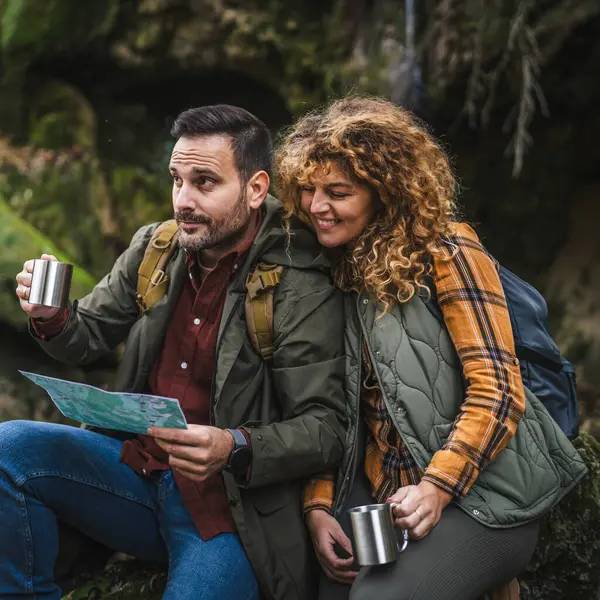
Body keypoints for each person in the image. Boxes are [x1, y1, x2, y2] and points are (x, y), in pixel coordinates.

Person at [4, 104, 347, 600]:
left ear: (255, 189)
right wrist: (49, 316)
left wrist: (234, 445)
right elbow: (87, 335)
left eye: (204, 182)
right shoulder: (158, 246)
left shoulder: (298, 280)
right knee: (8, 448)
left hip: (228, 511)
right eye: (176, 179)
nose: (182, 200)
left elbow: (326, 427)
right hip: (132, 473)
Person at [275, 96, 587, 600]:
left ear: (385, 192)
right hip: (385, 492)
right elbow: (333, 410)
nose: (316, 206)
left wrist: (437, 488)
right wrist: (317, 506)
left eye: (338, 192)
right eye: (307, 190)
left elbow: (499, 392)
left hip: (484, 494)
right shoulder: (331, 269)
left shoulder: (449, 251)